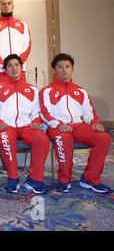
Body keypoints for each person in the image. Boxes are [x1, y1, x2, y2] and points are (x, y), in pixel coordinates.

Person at [40, 53, 111, 193]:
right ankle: (64, 180)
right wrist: (58, 124)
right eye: (60, 67)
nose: (64, 70)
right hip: (57, 127)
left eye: (67, 67)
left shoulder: (81, 91)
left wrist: (94, 122)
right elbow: (44, 113)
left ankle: (90, 178)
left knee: (103, 138)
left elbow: (89, 111)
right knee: (64, 138)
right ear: (54, 70)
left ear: (72, 69)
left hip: (78, 126)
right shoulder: (47, 91)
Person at [0, 54, 50, 194]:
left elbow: (37, 112)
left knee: (42, 139)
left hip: (26, 126)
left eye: (17, 65)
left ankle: (35, 179)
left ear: (21, 67)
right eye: (10, 66)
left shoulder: (32, 90)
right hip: (6, 126)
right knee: (6, 139)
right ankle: (13, 178)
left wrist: (36, 121)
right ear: (5, 70)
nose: (14, 68)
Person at [0, 0, 32, 87]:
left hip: (19, 71)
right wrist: (5, 65)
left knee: (20, 98)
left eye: (9, 3)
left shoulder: (23, 24)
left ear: (13, 6)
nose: (6, 6)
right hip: (0, 70)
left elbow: (27, 46)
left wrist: (17, 65)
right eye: (3, 4)